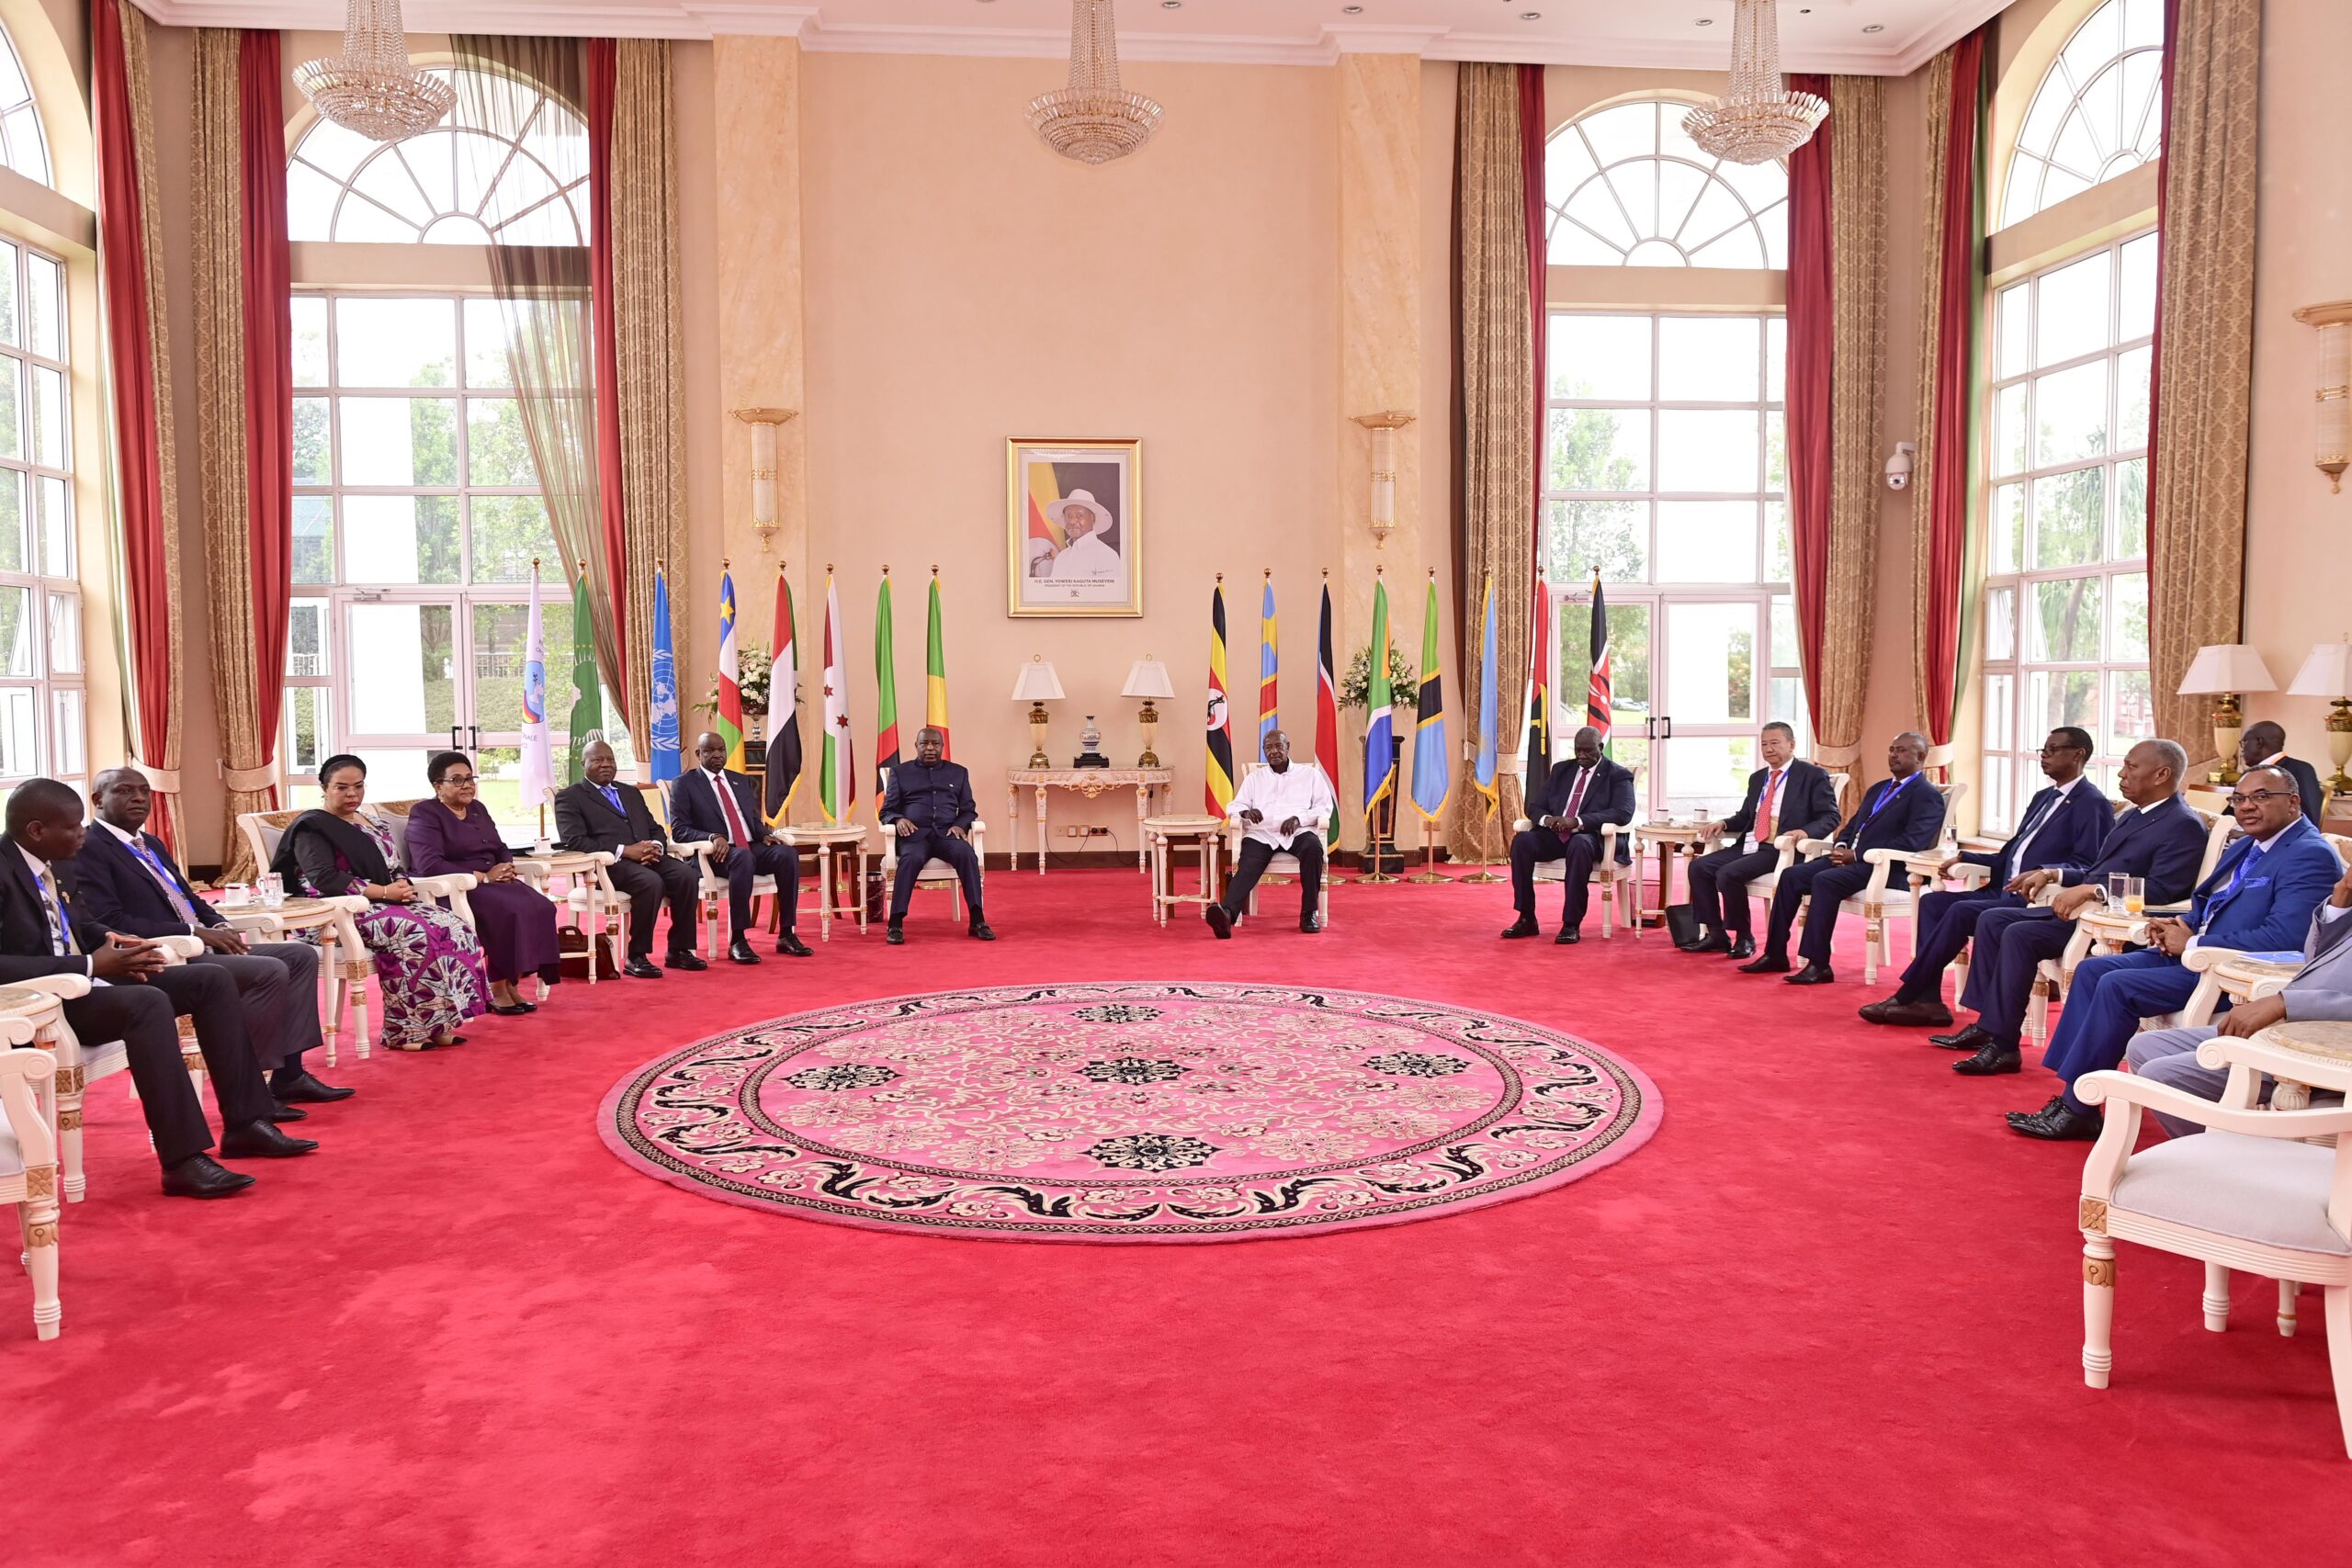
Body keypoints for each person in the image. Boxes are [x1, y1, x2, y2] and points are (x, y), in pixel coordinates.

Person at [1, 778, 311, 1197]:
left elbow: (83, 924)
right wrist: (90, 963)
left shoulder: (57, 860)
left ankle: (246, 1123)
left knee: (211, 979)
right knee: (146, 1003)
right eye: (73, 827)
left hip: (81, 981)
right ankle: (182, 1161)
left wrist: (118, 943)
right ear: (36, 830)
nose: (82, 834)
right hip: (38, 1003)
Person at [2007, 765, 2344, 1140]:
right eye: (2239, 799)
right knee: (2092, 971)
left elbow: (2288, 938)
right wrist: (2179, 924)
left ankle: (2077, 1107)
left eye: (2261, 797)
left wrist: (2195, 943)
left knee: (2117, 986)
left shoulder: (2308, 854)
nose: (2247, 806)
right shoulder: (2250, 844)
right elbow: (2212, 904)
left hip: (2229, 972)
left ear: (2293, 802)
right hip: (2194, 954)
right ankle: (2075, 1093)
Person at [64, 766, 349, 1111]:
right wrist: (193, 932)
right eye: (125, 791)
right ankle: (253, 1089)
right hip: (161, 956)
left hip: (200, 945)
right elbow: (110, 921)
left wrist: (219, 924)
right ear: (98, 799)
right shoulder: (90, 848)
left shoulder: (149, 842)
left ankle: (289, 1076)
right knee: (269, 970)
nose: (139, 798)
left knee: (299, 956)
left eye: (144, 791)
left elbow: (190, 899)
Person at [1932, 739, 2211, 1077]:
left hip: (2117, 926)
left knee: (2019, 934)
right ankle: (1989, 1025)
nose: (2121, 774)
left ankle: (2002, 1044)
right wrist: (2054, 873)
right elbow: (2096, 869)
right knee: (1993, 919)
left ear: (2161, 774)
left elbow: (2163, 889)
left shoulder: (2182, 823)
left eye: (2131, 767)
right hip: (2085, 914)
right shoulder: (2134, 815)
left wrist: (2093, 890)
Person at [1858, 728, 2110, 1028]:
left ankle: (1912, 994)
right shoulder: (2044, 797)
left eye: (2052, 750)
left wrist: (2046, 872)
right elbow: (2010, 855)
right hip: (2002, 889)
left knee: (1960, 910)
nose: (2044, 756)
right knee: (1933, 903)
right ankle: (1928, 1000)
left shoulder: (2091, 803)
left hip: (2034, 899)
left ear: (2078, 754)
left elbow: (2088, 864)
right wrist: (1967, 857)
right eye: (2043, 749)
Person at [272, 755, 492, 1052]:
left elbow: (393, 866)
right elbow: (325, 877)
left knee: (452, 925)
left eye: (358, 786)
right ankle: (406, 1031)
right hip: (334, 911)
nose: (352, 794)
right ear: (324, 788)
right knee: (414, 932)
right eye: (342, 787)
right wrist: (385, 892)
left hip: (381, 903)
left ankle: (439, 1023)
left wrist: (401, 885)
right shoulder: (313, 828)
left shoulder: (372, 823)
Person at [2122, 862, 2352, 1136]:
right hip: (2286, 1027)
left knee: (2161, 1075)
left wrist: (2284, 1003)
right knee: (2144, 1046)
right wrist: (2341, 897)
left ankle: (2217, 1155)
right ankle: (2218, 1144)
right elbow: (2315, 959)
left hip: (2323, 1049)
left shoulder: (2309, 853)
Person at [1740, 731, 1944, 984]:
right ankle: (1775, 954)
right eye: (1892, 750)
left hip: (1887, 867)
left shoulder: (1926, 795)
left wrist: (1856, 855)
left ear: (1921, 757)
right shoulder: (1879, 788)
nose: (1893, 755)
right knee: (1791, 875)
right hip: (1852, 859)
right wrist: (1841, 845)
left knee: (1825, 880)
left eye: (1901, 751)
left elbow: (1912, 842)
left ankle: (1819, 964)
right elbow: (1852, 826)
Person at [403, 751, 562, 1014]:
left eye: (470, 778)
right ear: (438, 785)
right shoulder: (425, 813)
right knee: (510, 910)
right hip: (453, 887)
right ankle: (497, 987)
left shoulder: (477, 809)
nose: (467, 785)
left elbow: (500, 847)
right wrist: (483, 877)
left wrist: (506, 866)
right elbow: (429, 864)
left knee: (543, 907)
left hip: (492, 883)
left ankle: (511, 982)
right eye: (457, 780)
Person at [1678, 721, 1840, 958]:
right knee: (1699, 867)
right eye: (1764, 744)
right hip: (1752, 843)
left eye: (1775, 743)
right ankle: (1716, 934)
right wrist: (1723, 823)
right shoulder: (1758, 778)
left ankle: (1744, 937)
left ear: (1792, 745)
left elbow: (1831, 816)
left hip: (1782, 847)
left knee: (1729, 874)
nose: (1769, 749)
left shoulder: (1812, 775)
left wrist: (1805, 832)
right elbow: (1746, 816)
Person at [553, 740, 706, 978]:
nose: (606, 764)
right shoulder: (570, 797)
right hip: (608, 865)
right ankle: (637, 956)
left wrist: (655, 846)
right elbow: (574, 841)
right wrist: (624, 851)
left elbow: (655, 828)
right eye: (598, 760)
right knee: (650, 882)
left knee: (686, 875)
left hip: (648, 857)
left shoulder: (630, 792)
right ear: (584, 764)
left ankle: (679, 950)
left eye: (610, 759)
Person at [666, 731, 812, 964]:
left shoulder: (739, 780)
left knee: (786, 854)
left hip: (748, 847)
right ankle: (738, 940)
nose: (717, 755)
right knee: (743, 858)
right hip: (713, 855)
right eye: (709, 751)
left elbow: (751, 820)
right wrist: (712, 837)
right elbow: (679, 830)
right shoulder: (685, 784)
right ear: (698, 754)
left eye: (721, 750)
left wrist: (765, 835)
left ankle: (787, 934)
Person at [1503, 727, 1635, 946]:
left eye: (1587, 751)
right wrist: (1548, 820)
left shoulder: (1617, 775)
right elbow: (1534, 806)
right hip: (1555, 835)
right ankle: (1526, 917)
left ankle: (1571, 924)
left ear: (1601, 748)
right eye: (1577, 750)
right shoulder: (1561, 770)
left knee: (1579, 844)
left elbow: (1623, 812)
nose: (1581, 756)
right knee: (1522, 841)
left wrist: (1578, 821)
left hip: (1591, 837)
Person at [1205, 728, 1334, 938]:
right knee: (1248, 863)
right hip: (1262, 834)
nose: (1273, 751)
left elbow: (1324, 807)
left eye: (1278, 746)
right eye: (1268, 748)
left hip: (1297, 832)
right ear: (1264, 750)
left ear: (1287, 747)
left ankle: (1309, 914)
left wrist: (1298, 819)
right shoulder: (1255, 778)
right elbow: (1235, 806)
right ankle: (1227, 915)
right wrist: (1246, 812)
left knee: (1313, 849)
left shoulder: (1309, 775)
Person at [880, 726, 993, 944]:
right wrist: (898, 819)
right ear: (916, 746)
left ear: (942, 746)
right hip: (914, 835)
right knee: (911, 859)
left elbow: (968, 809)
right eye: (924, 744)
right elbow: (887, 810)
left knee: (967, 854)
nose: (930, 748)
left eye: (935, 744)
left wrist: (960, 825)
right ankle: (895, 923)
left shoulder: (958, 773)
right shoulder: (900, 772)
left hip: (947, 834)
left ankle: (977, 920)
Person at [2238, 721, 2324, 827]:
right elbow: (2231, 814)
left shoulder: (2300, 770)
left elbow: (2309, 819)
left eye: (2244, 742)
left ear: (2259, 742)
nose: (2242, 750)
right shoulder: (2248, 775)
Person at [1035, 491, 1120, 581]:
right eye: (1068, 516)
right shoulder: (1061, 557)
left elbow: (1108, 590)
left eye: (1079, 516)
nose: (1072, 521)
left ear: (1093, 519)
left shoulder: (1106, 555)